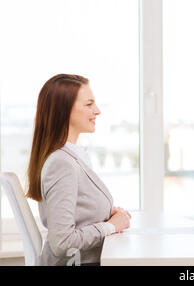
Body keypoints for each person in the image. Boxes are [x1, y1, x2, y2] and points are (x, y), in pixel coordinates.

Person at [26, 74, 131, 266]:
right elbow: (63, 242)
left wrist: (106, 215)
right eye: (89, 104)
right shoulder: (61, 163)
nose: (97, 111)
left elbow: (77, 213)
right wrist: (109, 226)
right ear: (64, 110)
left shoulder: (72, 155)